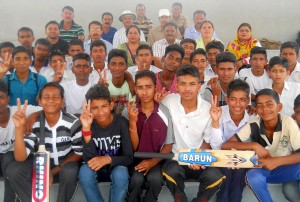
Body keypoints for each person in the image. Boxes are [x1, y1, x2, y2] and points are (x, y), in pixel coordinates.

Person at [2, 82, 83, 202]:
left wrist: (52, 171)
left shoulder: (73, 122)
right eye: (46, 97)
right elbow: (20, 158)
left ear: (62, 101)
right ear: (39, 101)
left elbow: (79, 153)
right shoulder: (33, 123)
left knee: (70, 171)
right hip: (40, 166)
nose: (51, 100)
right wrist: (19, 129)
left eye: (56, 97)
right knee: (14, 170)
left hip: (64, 166)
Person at [222, 89, 300, 202]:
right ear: (256, 109)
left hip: (286, 168)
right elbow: (226, 145)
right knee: (252, 176)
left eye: (269, 104)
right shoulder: (254, 124)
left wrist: (276, 161)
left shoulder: (287, 122)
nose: (265, 109)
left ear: (279, 107)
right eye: (259, 106)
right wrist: (254, 145)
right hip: (264, 170)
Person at [161, 65, 225, 202]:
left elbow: (208, 142)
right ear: (176, 86)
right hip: (176, 158)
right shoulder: (168, 101)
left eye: (192, 84)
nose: (187, 89)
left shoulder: (208, 109)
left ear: (199, 87)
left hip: (199, 158)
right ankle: (180, 199)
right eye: (183, 84)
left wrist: (196, 156)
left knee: (215, 175)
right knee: (170, 170)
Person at [123, 70, 174, 202]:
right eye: (140, 88)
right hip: (134, 159)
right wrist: (132, 123)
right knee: (136, 179)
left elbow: (168, 145)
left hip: (156, 159)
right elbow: (133, 148)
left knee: (156, 179)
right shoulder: (128, 111)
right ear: (135, 89)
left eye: (149, 87)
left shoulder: (164, 111)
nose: (144, 92)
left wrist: (152, 162)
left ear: (155, 88)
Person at [78, 84, 133, 202]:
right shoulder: (87, 123)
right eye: (94, 108)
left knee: (121, 173)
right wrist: (86, 129)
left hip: (115, 166)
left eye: (104, 106)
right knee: (84, 172)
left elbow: (128, 157)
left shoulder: (121, 123)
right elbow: (88, 159)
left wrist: (107, 159)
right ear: (88, 108)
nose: (100, 112)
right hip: (96, 168)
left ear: (111, 104)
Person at [210, 79, 253, 202]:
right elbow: (216, 146)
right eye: (233, 99)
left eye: (242, 100)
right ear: (227, 99)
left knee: (239, 172)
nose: (237, 104)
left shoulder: (253, 116)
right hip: (220, 158)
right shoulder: (218, 112)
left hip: (244, 160)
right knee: (226, 173)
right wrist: (215, 122)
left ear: (248, 101)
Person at [0, 81, 41, 180]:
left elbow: (50, 109)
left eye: (1, 97)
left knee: (9, 157)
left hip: (21, 158)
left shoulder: (20, 111)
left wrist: (32, 116)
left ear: (8, 99)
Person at [104, 49, 135, 114]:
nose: (117, 68)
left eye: (121, 64)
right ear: (108, 66)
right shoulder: (105, 86)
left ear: (126, 66)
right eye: (113, 64)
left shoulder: (134, 84)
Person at [282, 94, 300, 202]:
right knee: (289, 188)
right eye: (299, 113)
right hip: (294, 170)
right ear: (294, 111)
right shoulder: (288, 125)